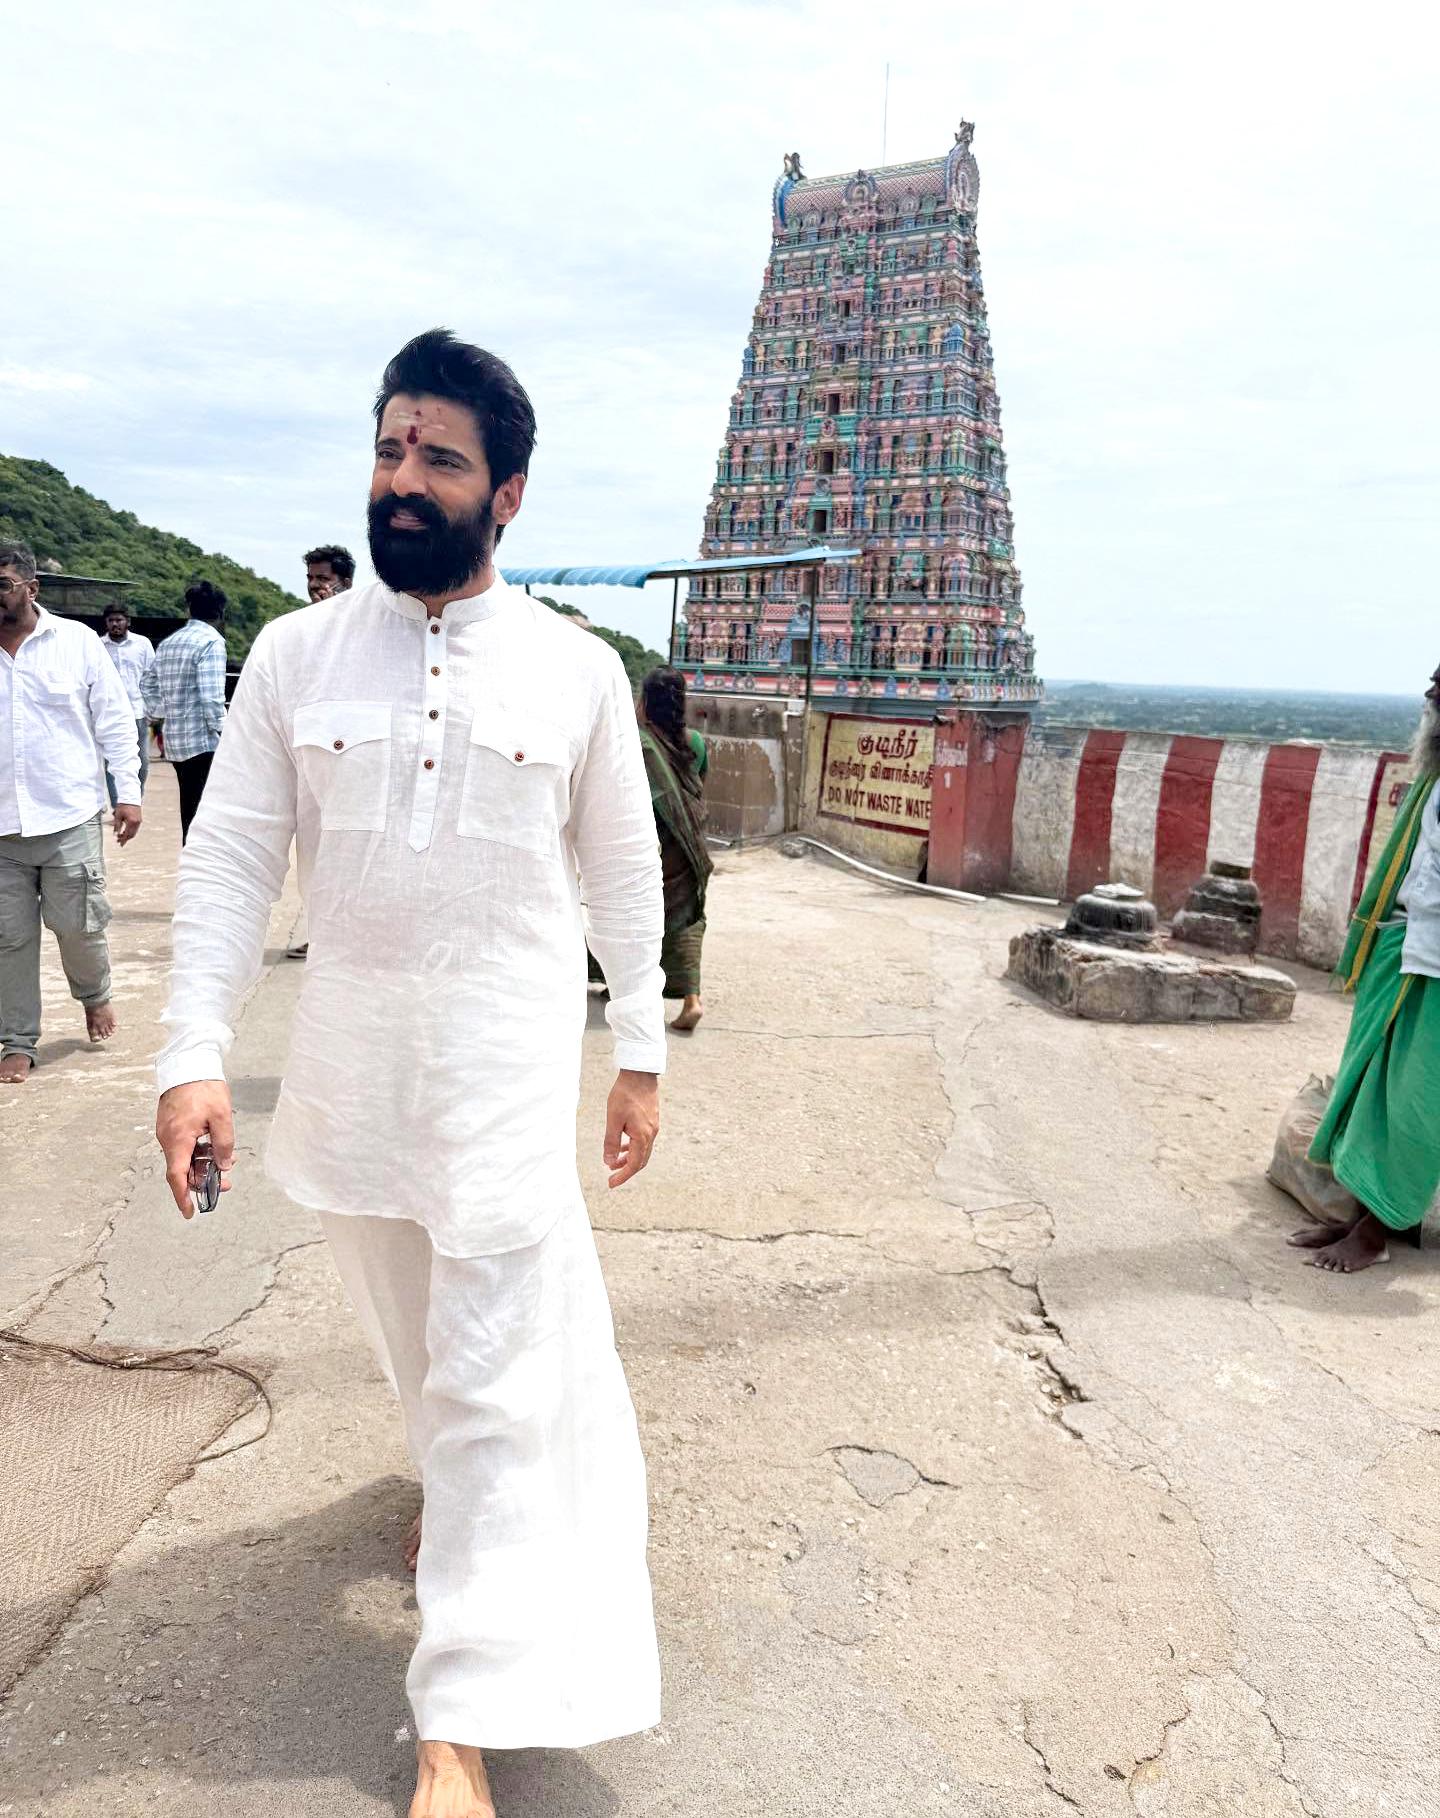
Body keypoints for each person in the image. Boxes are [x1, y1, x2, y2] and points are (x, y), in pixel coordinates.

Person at [154, 328, 666, 1818]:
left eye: (438, 458)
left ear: (507, 493)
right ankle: (454, 1510)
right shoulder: (294, 654)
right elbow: (235, 856)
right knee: (415, 1348)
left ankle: (458, 1712)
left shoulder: (576, 671)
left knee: (499, 1375)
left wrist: (638, 1050)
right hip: (352, 1087)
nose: (401, 480)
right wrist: (190, 1052)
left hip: (505, 1083)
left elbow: (625, 876)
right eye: (389, 448)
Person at [1294, 663, 1440, 1273]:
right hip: (1407, 947)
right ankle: (1361, 1216)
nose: (1430, 697)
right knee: (1369, 1089)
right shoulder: (1434, 781)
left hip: (1435, 966)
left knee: (1412, 1104)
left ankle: (1377, 1233)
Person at [0, 538, 142, 1083]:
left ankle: (94, 995)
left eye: (3, 584)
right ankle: (16, 1039)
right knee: (8, 938)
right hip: (3, 829)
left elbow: (113, 721)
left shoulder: (77, 642)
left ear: (32, 588)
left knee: (80, 926)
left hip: (69, 817)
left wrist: (126, 793)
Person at [637, 666, 712, 1032]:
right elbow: (697, 787)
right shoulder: (695, 742)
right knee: (686, 921)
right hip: (690, 844)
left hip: (652, 847)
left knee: (639, 918)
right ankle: (691, 1000)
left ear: (647, 702)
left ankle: (629, 989)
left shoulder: (640, 744)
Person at [143, 580, 227, 841]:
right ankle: (202, 870)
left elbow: (147, 684)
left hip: (176, 741)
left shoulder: (170, 642)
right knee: (207, 815)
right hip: (203, 742)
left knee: (190, 809)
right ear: (219, 612)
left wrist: (162, 713)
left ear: (189, 609)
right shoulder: (211, 642)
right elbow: (212, 698)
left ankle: (192, 863)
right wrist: (227, 734)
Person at [100, 602, 155, 806]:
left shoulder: (142, 644)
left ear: (128, 622)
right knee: (110, 761)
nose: (115, 624)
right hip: (109, 713)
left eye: (119, 620)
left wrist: (153, 707)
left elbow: (151, 677)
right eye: (111, 620)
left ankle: (133, 800)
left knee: (141, 761)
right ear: (106, 623)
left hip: (137, 711)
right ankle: (117, 804)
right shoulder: (98, 645)